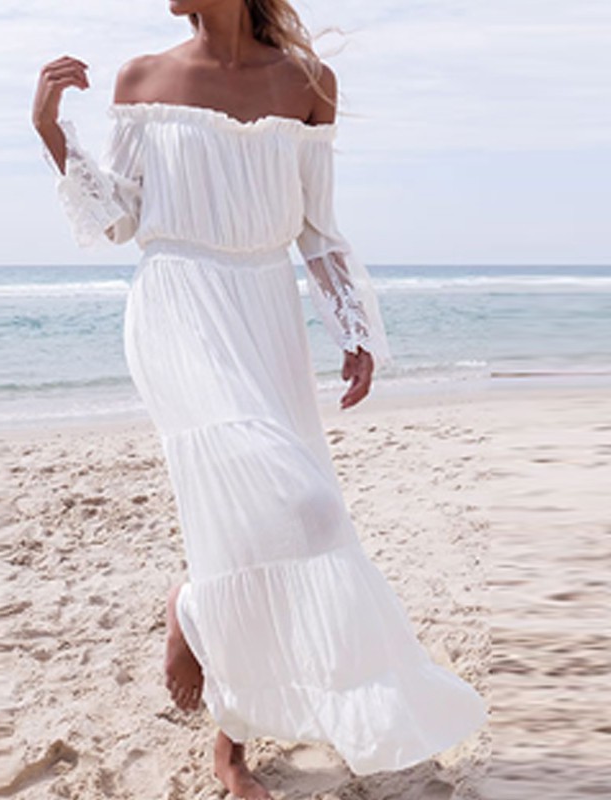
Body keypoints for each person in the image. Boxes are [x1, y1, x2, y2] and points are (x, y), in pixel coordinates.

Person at [33, 2, 487, 797]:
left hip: (266, 313)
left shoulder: (309, 84)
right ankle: (207, 633)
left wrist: (353, 325)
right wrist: (49, 130)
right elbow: (122, 218)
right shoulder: (143, 77)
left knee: (253, 524)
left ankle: (220, 707)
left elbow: (316, 225)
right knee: (298, 507)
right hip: (179, 310)